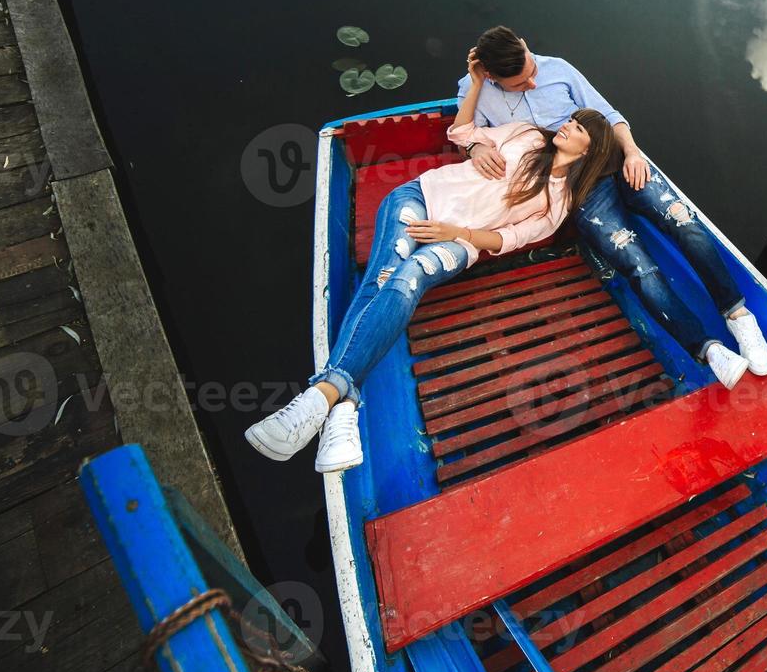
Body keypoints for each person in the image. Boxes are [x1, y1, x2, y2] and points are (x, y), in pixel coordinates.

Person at [246, 56, 616, 473]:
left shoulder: (558, 201)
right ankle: (340, 402)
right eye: (572, 120)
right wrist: (476, 93)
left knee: (406, 280)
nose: (567, 125)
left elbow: (506, 239)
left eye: (579, 127)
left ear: (590, 150)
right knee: (385, 277)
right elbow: (462, 131)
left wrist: (454, 233)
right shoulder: (528, 135)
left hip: (460, 242)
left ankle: (328, 400)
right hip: (417, 198)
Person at [456, 25, 767, 390]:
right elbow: (466, 133)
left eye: (531, 72)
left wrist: (633, 152)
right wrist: (475, 148)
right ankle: (707, 347)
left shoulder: (557, 68)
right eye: (520, 84)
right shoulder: (475, 91)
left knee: (683, 222)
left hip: (616, 157)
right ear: (492, 76)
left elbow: (607, 113)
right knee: (638, 265)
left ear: (526, 46)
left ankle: (737, 313)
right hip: (577, 185)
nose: (532, 83)